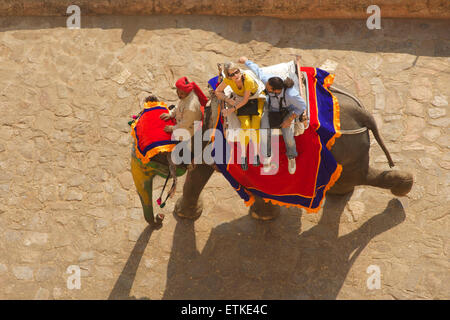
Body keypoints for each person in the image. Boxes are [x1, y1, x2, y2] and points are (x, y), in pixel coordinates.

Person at [238, 56, 306, 174]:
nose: (266, 87)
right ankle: (267, 156)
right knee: (264, 129)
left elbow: (302, 106)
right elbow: (258, 71)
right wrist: (246, 61)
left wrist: (289, 120)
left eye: (268, 88)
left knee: (288, 134)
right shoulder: (269, 82)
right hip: (271, 109)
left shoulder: (291, 94)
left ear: (275, 90)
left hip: (287, 111)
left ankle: (291, 156)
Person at [214, 62, 266, 171]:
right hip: (240, 100)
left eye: (237, 72)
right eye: (232, 74)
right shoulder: (228, 80)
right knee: (245, 125)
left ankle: (256, 154)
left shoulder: (248, 80)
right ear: (228, 76)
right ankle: (243, 155)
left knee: (255, 124)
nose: (235, 75)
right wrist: (228, 99)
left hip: (255, 98)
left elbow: (246, 100)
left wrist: (231, 110)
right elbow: (217, 91)